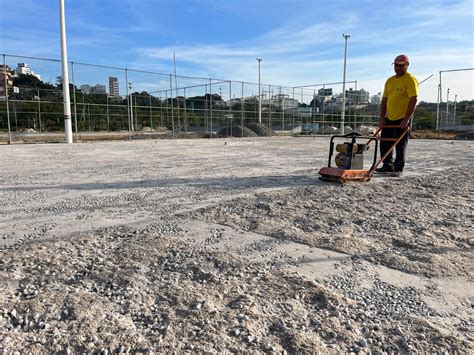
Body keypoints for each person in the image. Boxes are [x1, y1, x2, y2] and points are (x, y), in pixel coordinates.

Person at [376, 54, 418, 176]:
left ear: (407, 65)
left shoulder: (410, 79)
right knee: (384, 142)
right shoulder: (390, 81)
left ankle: (398, 168)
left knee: (400, 144)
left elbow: (413, 99)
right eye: (396, 65)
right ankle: (387, 165)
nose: (398, 68)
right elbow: (384, 100)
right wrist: (382, 118)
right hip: (389, 117)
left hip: (402, 118)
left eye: (401, 65)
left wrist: (406, 119)